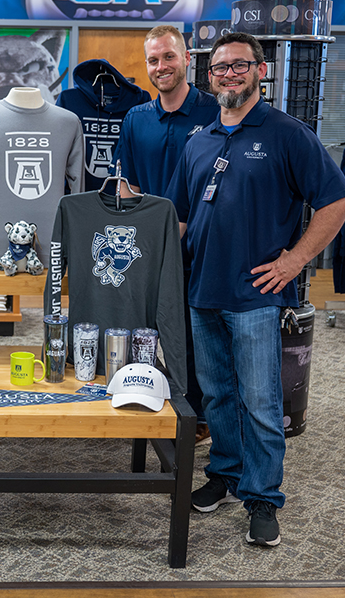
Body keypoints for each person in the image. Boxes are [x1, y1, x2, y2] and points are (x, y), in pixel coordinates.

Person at [167, 32, 345, 547]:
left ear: (260, 71)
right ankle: (225, 475)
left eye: (238, 66)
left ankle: (263, 499)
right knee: (218, 396)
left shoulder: (286, 134)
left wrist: (295, 261)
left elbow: (338, 200)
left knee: (261, 402)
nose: (228, 74)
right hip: (201, 292)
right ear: (209, 76)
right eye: (219, 68)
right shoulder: (199, 140)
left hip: (254, 297)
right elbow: (182, 220)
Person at [111, 25, 219, 443]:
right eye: (153, 60)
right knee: (143, 327)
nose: (161, 67)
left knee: (194, 333)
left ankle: (199, 418)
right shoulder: (137, 118)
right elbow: (127, 184)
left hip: (200, 245)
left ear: (188, 58)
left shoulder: (214, 112)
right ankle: (142, 397)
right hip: (150, 246)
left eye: (169, 57)